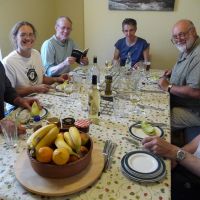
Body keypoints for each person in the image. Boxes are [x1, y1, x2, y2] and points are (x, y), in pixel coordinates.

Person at [3, 21, 66, 97]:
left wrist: (57, 79)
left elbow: (41, 78)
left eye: (31, 34)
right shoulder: (8, 62)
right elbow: (8, 93)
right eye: (23, 35)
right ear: (15, 38)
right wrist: (34, 89)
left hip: (39, 97)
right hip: (18, 105)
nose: (28, 38)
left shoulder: (36, 53)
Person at [158, 19, 200, 131]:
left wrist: (168, 87)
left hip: (193, 110)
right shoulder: (188, 48)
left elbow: (195, 91)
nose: (178, 39)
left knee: (157, 120)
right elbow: (188, 70)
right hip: (179, 101)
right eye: (175, 37)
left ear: (193, 32)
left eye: (181, 34)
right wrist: (173, 72)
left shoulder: (198, 54)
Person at [142, 136, 200, 200]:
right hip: (185, 163)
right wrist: (178, 156)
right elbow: (197, 142)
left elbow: (173, 151)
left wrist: (172, 151)